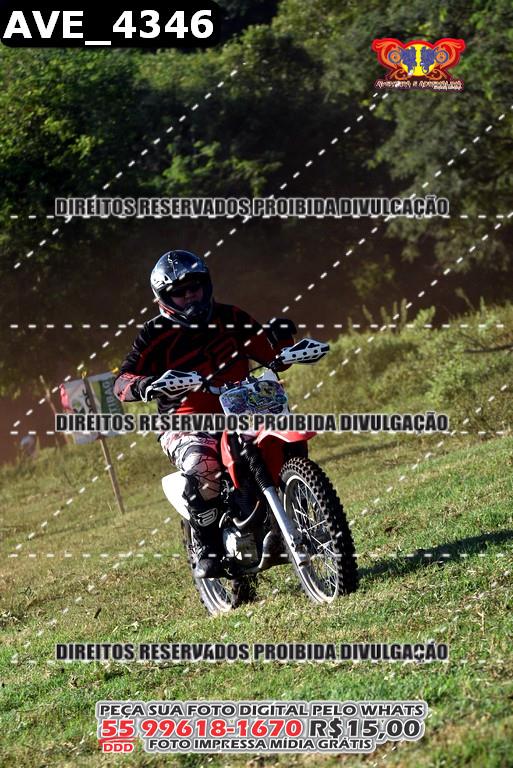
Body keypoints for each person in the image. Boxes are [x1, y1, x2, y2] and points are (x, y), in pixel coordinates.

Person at [114, 249, 295, 578]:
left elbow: (270, 354)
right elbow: (122, 381)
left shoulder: (232, 316)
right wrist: (145, 385)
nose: (189, 295)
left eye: (194, 287)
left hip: (242, 407)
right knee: (202, 465)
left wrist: (282, 342)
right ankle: (208, 548)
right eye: (179, 292)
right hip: (185, 423)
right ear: (164, 298)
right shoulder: (153, 335)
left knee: (284, 438)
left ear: (206, 284)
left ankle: (295, 512)